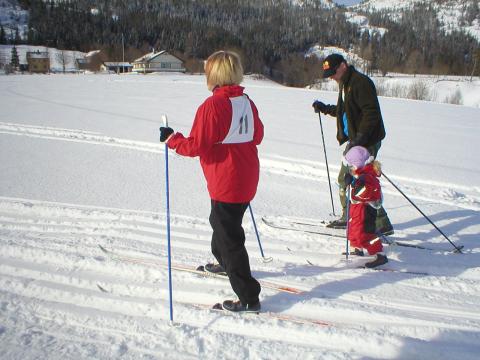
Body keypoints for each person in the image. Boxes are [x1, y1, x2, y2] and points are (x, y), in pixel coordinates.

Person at [159, 50, 263, 313]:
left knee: (230, 238)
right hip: (245, 176)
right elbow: (258, 135)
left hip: (227, 180)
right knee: (221, 222)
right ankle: (224, 262)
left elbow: (196, 146)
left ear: (214, 74)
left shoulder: (213, 106)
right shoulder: (247, 102)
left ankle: (249, 296)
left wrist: (173, 140)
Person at [312, 53, 393, 236]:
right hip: (358, 140)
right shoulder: (346, 83)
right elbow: (346, 111)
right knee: (357, 181)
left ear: (343, 66)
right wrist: (325, 108)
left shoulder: (360, 83)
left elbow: (371, 113)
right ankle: (373, 221)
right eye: (329, 74)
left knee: (355, 180)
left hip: (367, 141)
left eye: (333, 72)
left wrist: (360, 140)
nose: (331, 77)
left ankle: (374, 221)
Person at [343, 146, 388, 268]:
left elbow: (366, 193)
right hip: (357, 211)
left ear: (358, 164)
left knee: (365, 235)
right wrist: (351, 182)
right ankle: (358, 250)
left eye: (351, 165)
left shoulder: (366, 177)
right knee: (353, 231)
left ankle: (380, 255)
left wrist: (354, 183)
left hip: (365, 211)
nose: (350, 168)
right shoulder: (361, 174)